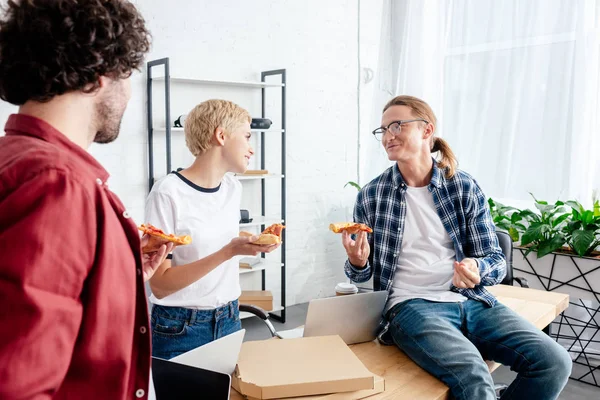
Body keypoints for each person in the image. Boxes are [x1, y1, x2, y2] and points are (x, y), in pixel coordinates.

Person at [341, 95, 572, 399]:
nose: (387, 136)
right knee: (473, 376)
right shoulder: (372, 195)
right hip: (411, 306)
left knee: (554, 361)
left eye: (396, 125)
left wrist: (478, 268)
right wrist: (357, 263)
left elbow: (494, 258)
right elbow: (360, 278)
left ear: (427, 130)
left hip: (471, 300)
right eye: (382, 130)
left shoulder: (462, 186)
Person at [0, 1, 172, 399]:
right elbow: (17, 384)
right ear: (98, 76)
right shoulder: (59, 184)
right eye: (127, 74)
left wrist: (115, 277)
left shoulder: (16, 161)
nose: (128, 91)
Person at [145, 99, 279, 360]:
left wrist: (249, 243)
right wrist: (228, 252)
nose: (252, 149)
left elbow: (212, 238)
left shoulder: (232, 187)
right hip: (179, 327)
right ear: (221, 135)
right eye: (247, 136)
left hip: (229, 317)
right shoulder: (167, 192)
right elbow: (160, 284)